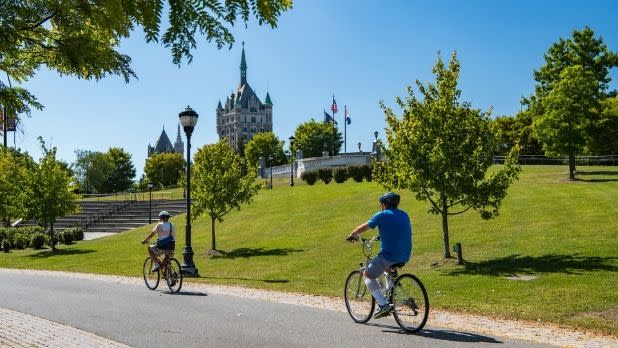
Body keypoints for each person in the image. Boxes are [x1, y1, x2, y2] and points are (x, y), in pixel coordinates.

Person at [347, 192, 412, 319]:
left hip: (389, 255)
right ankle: (391, 294)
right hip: (405, 254)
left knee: (368, 275)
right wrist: (381, 236)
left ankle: (383, 305)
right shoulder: (404, 214)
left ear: (383, 204)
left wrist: (353, 234)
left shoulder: (382, 215)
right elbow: (396, 230)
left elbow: (365, 227)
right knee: (387, 271)